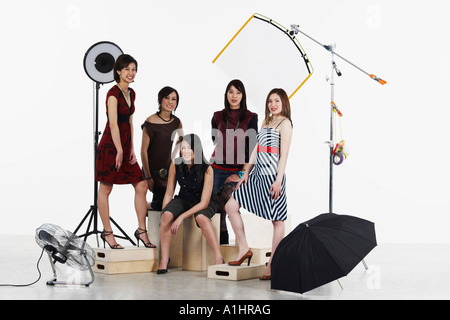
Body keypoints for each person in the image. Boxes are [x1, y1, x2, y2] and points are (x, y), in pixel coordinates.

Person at [225, 88, 293, 280]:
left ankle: (272, 265)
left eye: (277, 101)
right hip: (256, 175)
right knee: (231, 205)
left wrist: (278, 180)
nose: (273, 104)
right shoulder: (266, 121)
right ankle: (244, 248)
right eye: (270, 101)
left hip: (272, 177)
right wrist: (245, 173)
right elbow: (255, 150)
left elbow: (284, 154)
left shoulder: (285, 123)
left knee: (278, 220)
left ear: (284, 103)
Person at [95, 54, 155, 249]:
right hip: (110, 146)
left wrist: (131, 149)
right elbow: (113, 123)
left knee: (141, 186)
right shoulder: (112, 94)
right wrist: (119, 150)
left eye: (134, 69)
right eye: (127, 69)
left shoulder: (132, 93)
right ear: (118, 71)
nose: (131, 73)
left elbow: (129, 121)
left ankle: (141, 230)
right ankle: (108, 232)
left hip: (124, 146)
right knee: (105, 189)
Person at [158, 134, 224, 274]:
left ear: (197, 150)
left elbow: (204, 202)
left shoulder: (207, 169)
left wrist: (181, 217)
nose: (185, 151)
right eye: (183, 148)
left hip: (203, 202)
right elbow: (169, 193)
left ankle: (218, 257)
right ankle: (164, 259)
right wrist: (164, 214)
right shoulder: (175, 165)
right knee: (166, 216)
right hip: (184, 199)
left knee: (201, 218)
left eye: (189, 148)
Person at [210, 79, 258, 244]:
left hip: (238, 168)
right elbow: (215, 142)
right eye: (231, 92)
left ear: (243, 95)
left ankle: (241, 243)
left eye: (238, 92)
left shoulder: (251, 118)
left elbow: (252, 149)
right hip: (217, 167)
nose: (234, 96)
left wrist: (242, 173)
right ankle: (222, 237)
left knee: (229, 199)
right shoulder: (217, 116)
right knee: (215, 203)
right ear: (226, 94)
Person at [141, 86, 183, 211]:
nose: (170, 102)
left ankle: (148, 207)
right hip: (151, 170)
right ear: (160, 99)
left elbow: (181, 139)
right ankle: (146, 209)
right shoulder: (150, 121)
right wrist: (148, 177)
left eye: (174, 99)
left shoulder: (176, 122)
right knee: (164, 204)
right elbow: (143, 151)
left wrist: (173, 156)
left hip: (167, 171)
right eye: (167, 98)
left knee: (165, 204)